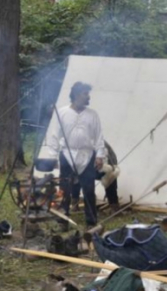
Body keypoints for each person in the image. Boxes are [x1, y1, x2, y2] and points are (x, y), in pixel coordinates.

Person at [46, 82, 106, 226]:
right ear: (77, 95)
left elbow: (99, 136)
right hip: (67, 154)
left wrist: (99, 155)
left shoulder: (93, 114)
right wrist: (53, 156)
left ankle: (91, 222)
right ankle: (63, 220)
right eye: (85, 94)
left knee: (89, 190)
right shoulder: (62, 112)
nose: (88, 97)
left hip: (87, 155)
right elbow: (55, 135)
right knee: (65, 189)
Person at [71, 140, 120, 211]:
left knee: (110, 180)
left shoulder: (100, 143)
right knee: (76, 178)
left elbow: (111, 159)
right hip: (85, 166)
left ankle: (114, 205)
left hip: (105, 165)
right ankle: (75, 204)